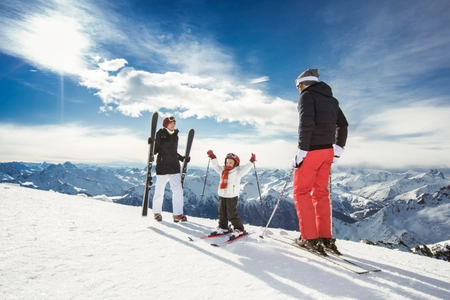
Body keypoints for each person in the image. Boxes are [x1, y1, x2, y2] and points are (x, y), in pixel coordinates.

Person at [291, 68, 348, 254]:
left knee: (301, 193)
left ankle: (309, 238)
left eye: (297, 86)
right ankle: (325, 237)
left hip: (312, 151)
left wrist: (302, 151)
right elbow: (343, 124)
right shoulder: (332, 100)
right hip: (328, 152)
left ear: (302, 83)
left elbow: (306, 123)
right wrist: (339, 148)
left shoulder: (307, 96)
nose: (298, 89)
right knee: (321, 194)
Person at [206, 150, 256, 239]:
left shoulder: (237, 172)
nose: (228, 163)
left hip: (232, 196)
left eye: (231, 162)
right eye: (227, 162)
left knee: (231, 213)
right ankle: (223, 227)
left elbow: (246, 168)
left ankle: (239, 229)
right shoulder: (222, 170)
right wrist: (212, 157)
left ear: (235, 164)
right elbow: (215, 166)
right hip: (222, 194)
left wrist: (251, 161)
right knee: (222, 212)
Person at [152, 116, 190, 222]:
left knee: (178, 190)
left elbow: (173, 152)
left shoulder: (175, 136)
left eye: (174, 123)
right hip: (162, 165)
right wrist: (152, 143)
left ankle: (177, 214)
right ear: (166, 124)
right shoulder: (160, 134)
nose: (173, 125)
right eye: (171, 123)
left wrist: (182, 158)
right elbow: (155, 151)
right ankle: (157, 212)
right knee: (160, 190)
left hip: (174, 166)